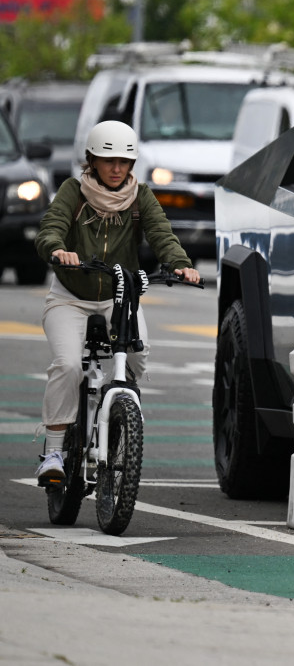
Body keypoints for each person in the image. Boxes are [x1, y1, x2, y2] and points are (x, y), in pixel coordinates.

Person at [33, 120, 200, 486]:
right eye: (107, 161)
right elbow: (51, 226)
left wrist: (182, 266)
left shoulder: (141, 196)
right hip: (70, 297)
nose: (116, 169)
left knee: (138, 356)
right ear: (91, 160)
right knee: (67, 366)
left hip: (119, 296)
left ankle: (115, 415)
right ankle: (56, 452)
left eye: (124, 162)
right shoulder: (73, 191)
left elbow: (161, 235)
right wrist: (58, 249)